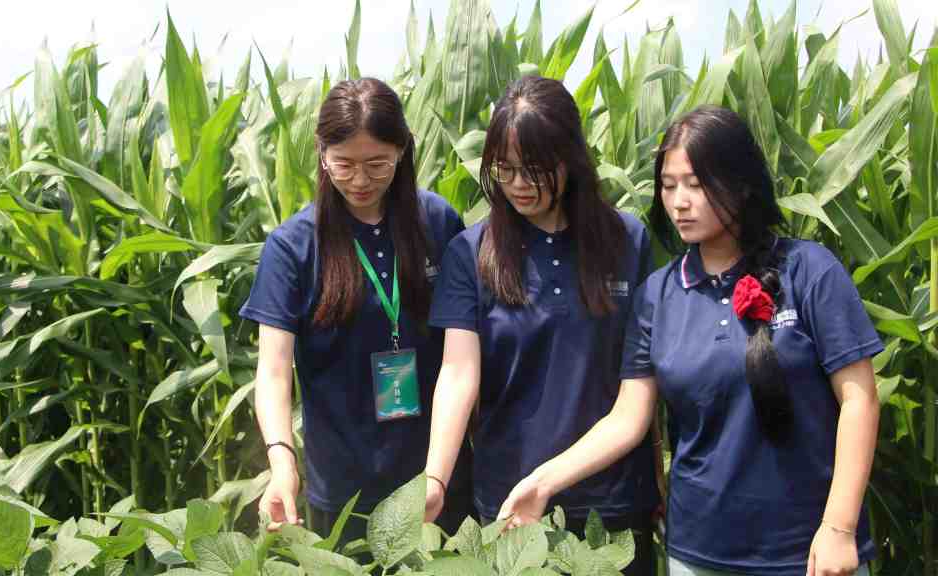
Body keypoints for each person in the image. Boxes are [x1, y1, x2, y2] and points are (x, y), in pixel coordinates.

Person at [497, 105, 881, 576]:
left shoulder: (809, 271)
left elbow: (859, 400)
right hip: (700, 553)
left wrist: (839, 527)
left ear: (741, 183)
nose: (679, 201)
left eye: (697, 185)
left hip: (810, 552)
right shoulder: (659, 295)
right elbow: (628, 418)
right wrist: (542, 482)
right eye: (668, 184)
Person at [423, 75, 658, 575]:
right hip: (510, 508)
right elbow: (458, 376)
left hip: (611, 504)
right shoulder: (473, 253)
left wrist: (551, 479)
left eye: (534, 170)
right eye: (504, 170)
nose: (518, 186)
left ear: (570, 157)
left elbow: (639, 391)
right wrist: (435, 480)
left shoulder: (627, 241)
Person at [240, 77, 473, 543]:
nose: (360, 180)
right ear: (321, 153)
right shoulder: (293, 247)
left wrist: (438, 476)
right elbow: (274, 370)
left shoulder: (438, 223)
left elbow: (462, 353)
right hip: (344, 490)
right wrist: (283, 462)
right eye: (343, 164)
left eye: (377, 164)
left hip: (436, 478)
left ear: (403, 151)